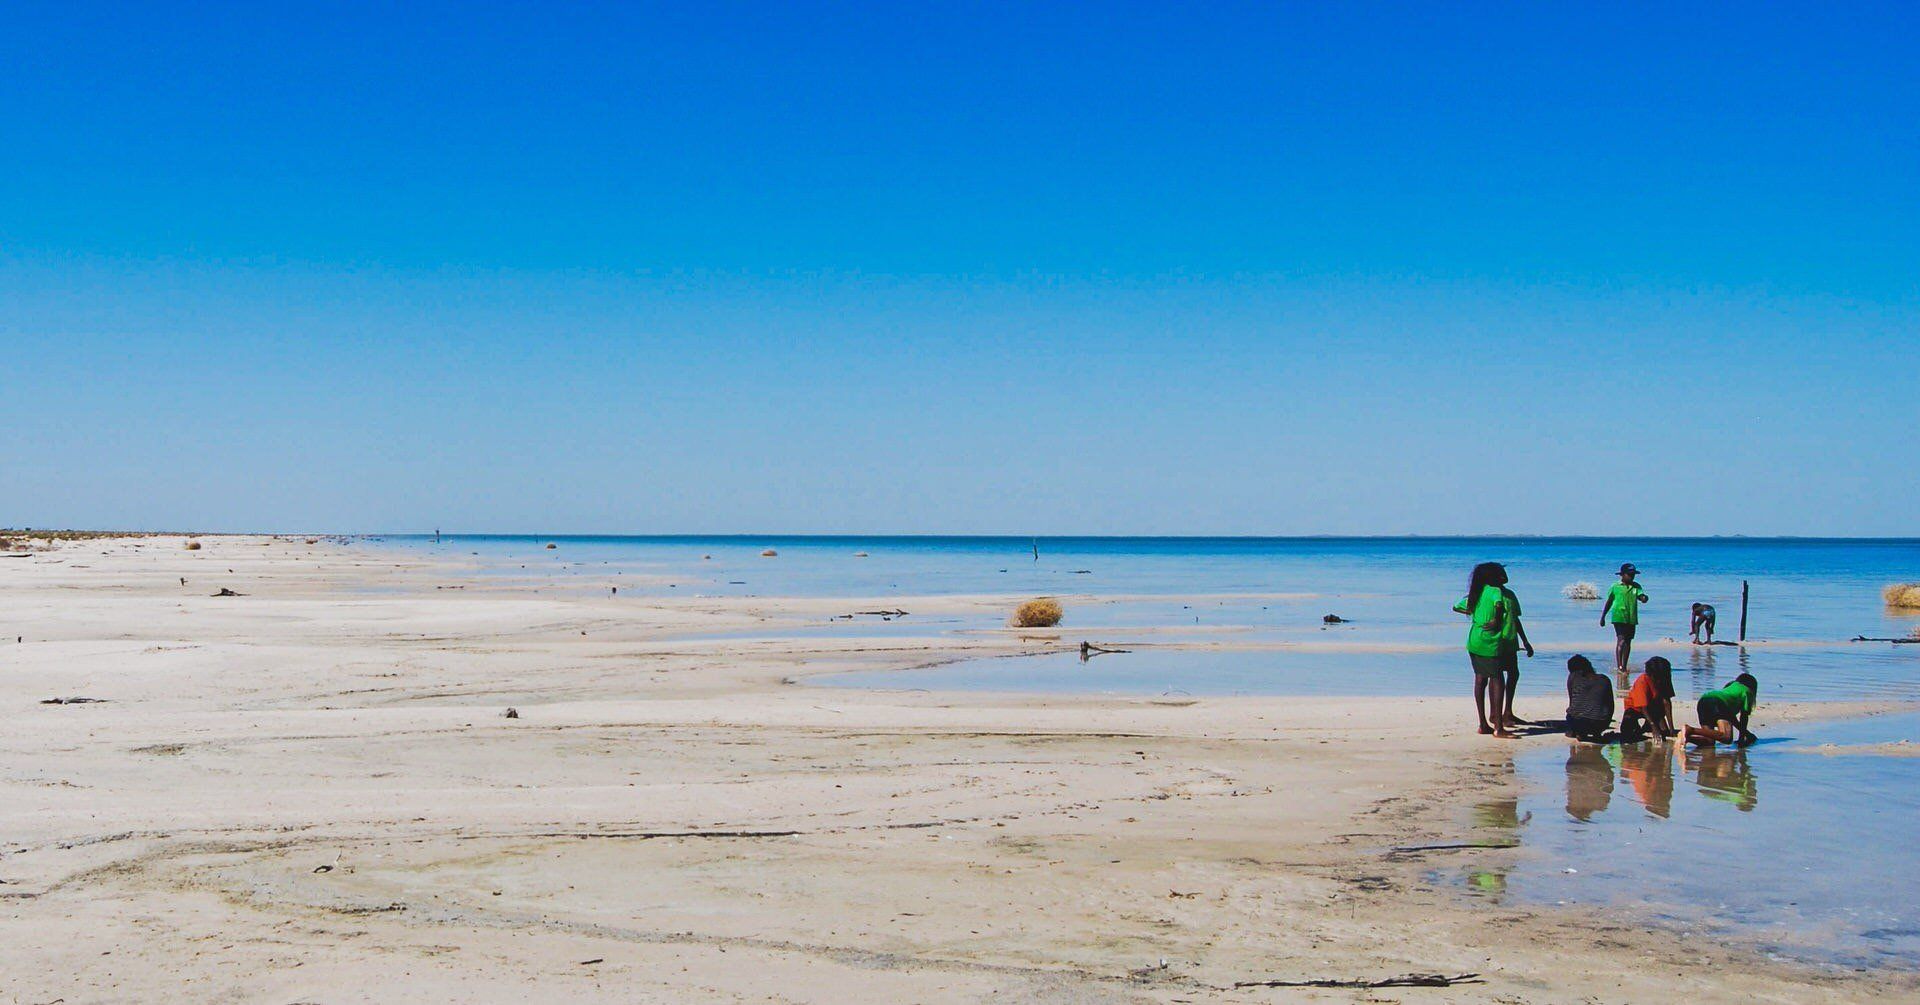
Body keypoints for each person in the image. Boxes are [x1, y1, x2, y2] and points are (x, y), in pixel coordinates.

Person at [1453, 562, 1534, 738]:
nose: (1504, 576)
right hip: (1492, 642)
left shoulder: (1498, 594)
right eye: (1501, 573)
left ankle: (1495, 718)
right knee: (1496, 679)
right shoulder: (1495, 592)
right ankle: (1497, 725)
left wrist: (1525, 641)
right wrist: (1489, 619)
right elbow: (1496, 607)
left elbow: (1514, 619)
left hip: (1492, 641)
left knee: (1491, 677)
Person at [1599, 563, 1649, 675]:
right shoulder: (1615, 587)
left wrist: (1644, 598)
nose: (1632, 577)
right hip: (1618, 616)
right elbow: (1609, 602)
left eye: (1633, 575)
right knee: (1621, 640)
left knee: (1628, 642)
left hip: (1631, 618)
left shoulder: (1636, 586)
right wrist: (1603, 617)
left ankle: (1624, 665)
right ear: (1622, 575)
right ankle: (1620, 666)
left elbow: (1641, 597)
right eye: (1629, 575)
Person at [1686, 672, 1758, 748]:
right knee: (1727, 737)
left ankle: (1686, 737)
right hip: (1718, 702)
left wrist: (1748, 734)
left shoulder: (1731, 688)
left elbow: (1732, 720)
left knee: (1709, 742)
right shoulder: (1747, 691)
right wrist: (1741, 740)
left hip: (1703, 700)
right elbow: (1744, 718)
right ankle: (1691, 730)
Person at [1619, 656, 1678, 740]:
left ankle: (1647, 726)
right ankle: (1644, 725)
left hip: (1654, 708)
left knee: (1664, 732)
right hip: (1635, 708)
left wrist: (1671, 729)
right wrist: (1653, 726)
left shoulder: (1665, 678)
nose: (1660, 680)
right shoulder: (1642, 681)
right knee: (1627, 730)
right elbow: (1644, 707)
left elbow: (1666, 702)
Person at [1563, 655, 1614, 741]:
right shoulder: (1604, 679)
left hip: (1578, 723)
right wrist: (1606, 721)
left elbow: (1572, 703)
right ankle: (1596, 733)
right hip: (1600, 724)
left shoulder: (1573, 677)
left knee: (1572, 714)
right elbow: (1610, 705)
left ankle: (1578, 732)